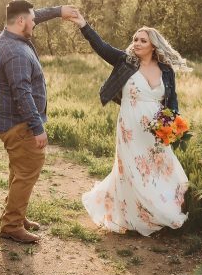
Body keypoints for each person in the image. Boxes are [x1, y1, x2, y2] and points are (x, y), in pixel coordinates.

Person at [70, 14, 191, 236]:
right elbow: (102, 47)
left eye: (143, 40)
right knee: (134, 169)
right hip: (130, 127)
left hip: (156, 128)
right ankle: (133, 216)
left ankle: (159, 212)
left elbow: (172, 100)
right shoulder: (126, 62)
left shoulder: (166, 70)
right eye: (135, 39)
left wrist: (174, 124)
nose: (136, 43)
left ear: (153, 45)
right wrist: (83, 25)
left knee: (160, 168)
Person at [0, 0, 80, 244]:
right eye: (31, 20)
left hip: (8, 120)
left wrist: (57, 11)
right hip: (19, 124)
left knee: (19, 170)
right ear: (21, 22)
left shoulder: (6, 35)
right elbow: (22, 94)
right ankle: (11, 225)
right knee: (28, 171)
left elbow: (34, 16)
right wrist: (37, 128)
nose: (34, 22)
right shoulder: (16, 53)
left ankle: (16, 215)